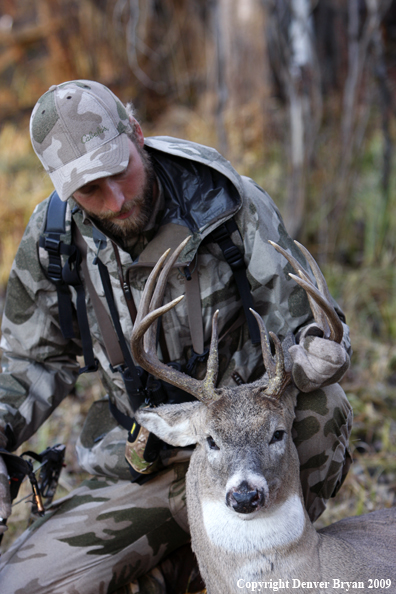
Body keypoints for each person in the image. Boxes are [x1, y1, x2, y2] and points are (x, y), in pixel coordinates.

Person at [0, 80, 352, 594]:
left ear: (137, 134)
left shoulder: (230, 204)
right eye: (91, 189)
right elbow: (32, 361)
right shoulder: (53, 241)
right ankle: (189, 568)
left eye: (120, 172)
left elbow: (301, 324)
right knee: (22, 585)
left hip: (251, 446)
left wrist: (315, 355)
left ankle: (272, 564)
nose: (116, 199)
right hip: (144, 460)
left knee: (324, 408)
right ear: (61, 186)